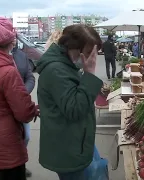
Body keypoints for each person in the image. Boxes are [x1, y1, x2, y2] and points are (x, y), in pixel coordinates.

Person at [36, 24, 103, 180]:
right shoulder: (56, 70)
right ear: (72, 48)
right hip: (67, 148)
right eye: (89, 53)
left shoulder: (66, 65)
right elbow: (75, 109)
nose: (92, 58)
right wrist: (90, 75)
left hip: (75, 141)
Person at [0, 17, 39, 180]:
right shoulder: (7, 71)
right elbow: (23, 113)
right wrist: (33, 109)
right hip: (4, 149)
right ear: (10, 42)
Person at [12, 37, 36, 178]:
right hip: (4, 107)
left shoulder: (21, 55)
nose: (13, 40)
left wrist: (23, 93)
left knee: (25, 137)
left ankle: (21, 165)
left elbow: (30, 77)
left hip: (22, 103)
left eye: (14, 37)